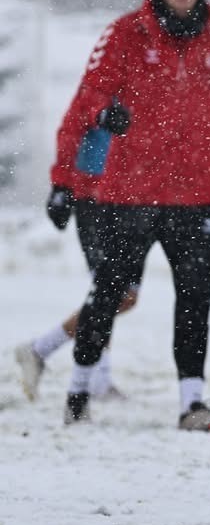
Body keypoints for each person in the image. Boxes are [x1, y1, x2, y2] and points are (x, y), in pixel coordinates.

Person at [48, 0, 210, 430]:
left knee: (195, 299)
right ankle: (80, 389)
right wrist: (104, 119)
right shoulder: (127, 34)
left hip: (197, 196)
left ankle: (192, 402)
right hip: (130, 194)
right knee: (108, 293)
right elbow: (88, 100)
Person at [14, 123, 145, 401]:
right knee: (110, 293)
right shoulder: (99, 86)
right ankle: (89, 374)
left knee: (123, 296)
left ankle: (44, 352)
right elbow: (69, 131)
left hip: (128, 198)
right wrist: (61, 187)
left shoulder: (146, 86)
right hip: (95, 198)